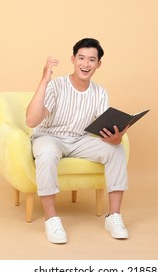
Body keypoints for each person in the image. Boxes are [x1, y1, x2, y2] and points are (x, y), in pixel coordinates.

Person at [25, 38, 130, 244]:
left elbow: (102, 128)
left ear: (98, 64)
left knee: (116, 151)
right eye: (81, 58)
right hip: (50, 137)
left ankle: (114, 217)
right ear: (73, 59)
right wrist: (44, 81)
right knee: (47, 153)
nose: (86, 64)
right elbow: (31, 120)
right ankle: (51, 219)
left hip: (80, 139)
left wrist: (115, 137)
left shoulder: (100, 92)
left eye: (92, 60)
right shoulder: (56, 86)